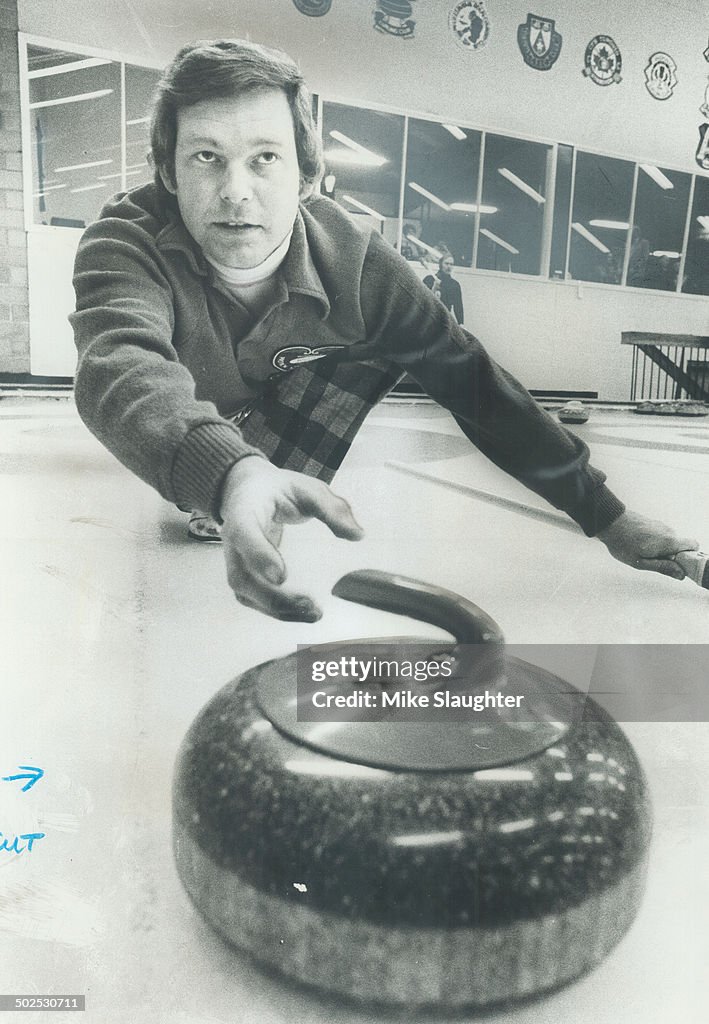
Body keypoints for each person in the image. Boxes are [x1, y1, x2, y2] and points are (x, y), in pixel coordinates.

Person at [70, 38, 697, 623]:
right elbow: (121, 364)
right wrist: (228, 474)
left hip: (288, 397)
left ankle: (258, 471)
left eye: (265, 158)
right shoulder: (123, 242)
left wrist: (609, 518)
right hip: (194, 405)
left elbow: (473, 384)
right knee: (217, 465)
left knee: (404, 347)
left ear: (306, 175)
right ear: (169, 172)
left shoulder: (361, 265)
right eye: (207, 157)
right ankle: (233, 481)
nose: (236, 191)